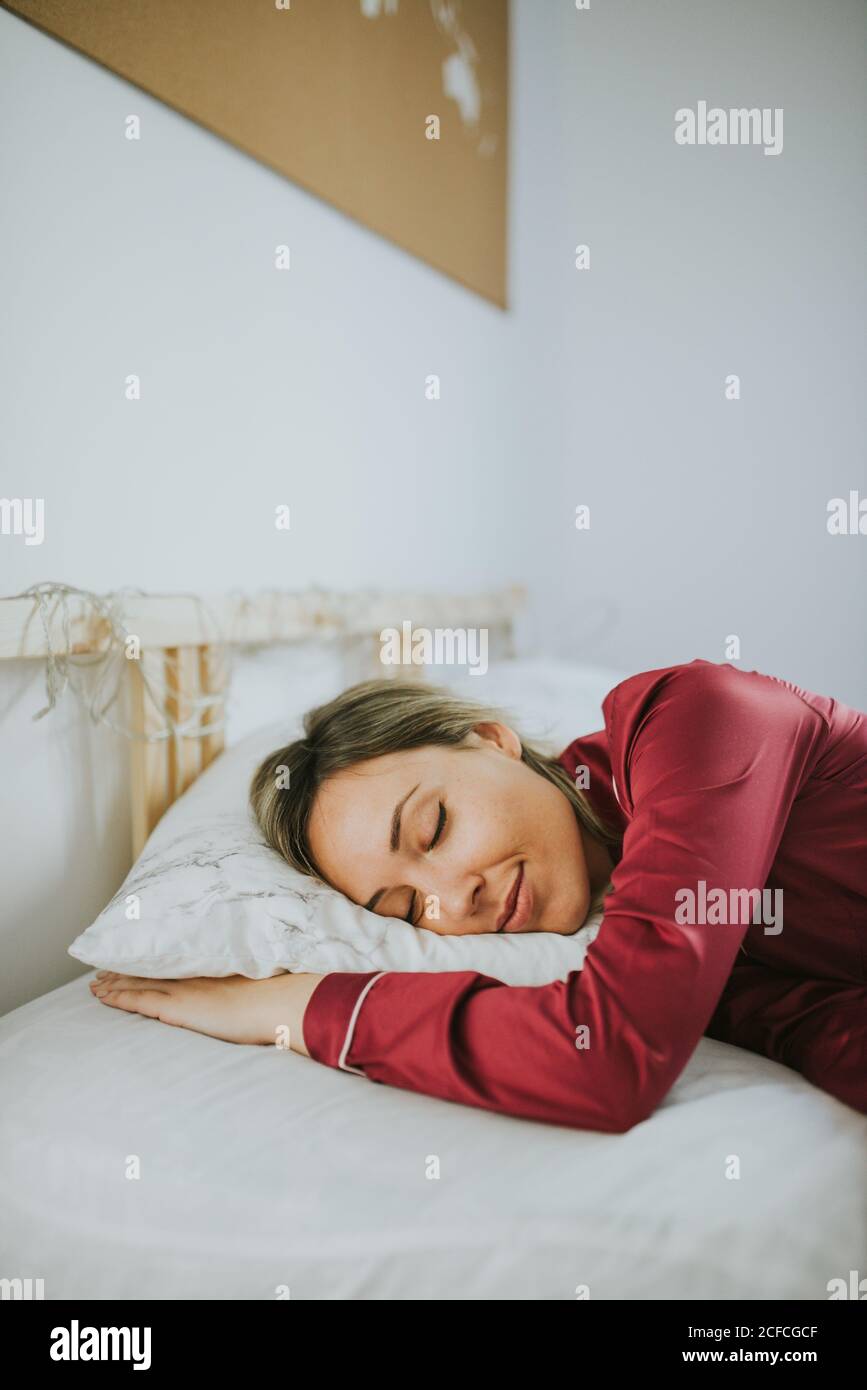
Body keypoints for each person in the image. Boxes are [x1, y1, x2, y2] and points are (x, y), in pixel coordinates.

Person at [90, 659, 867, 1129]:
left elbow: (610, 1055)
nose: (449, 900)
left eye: (431, 827)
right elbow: (828, 1034)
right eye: (401, 910)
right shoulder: (680, 954)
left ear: (492, 739)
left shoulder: (698, 716)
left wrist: (298, 1007)